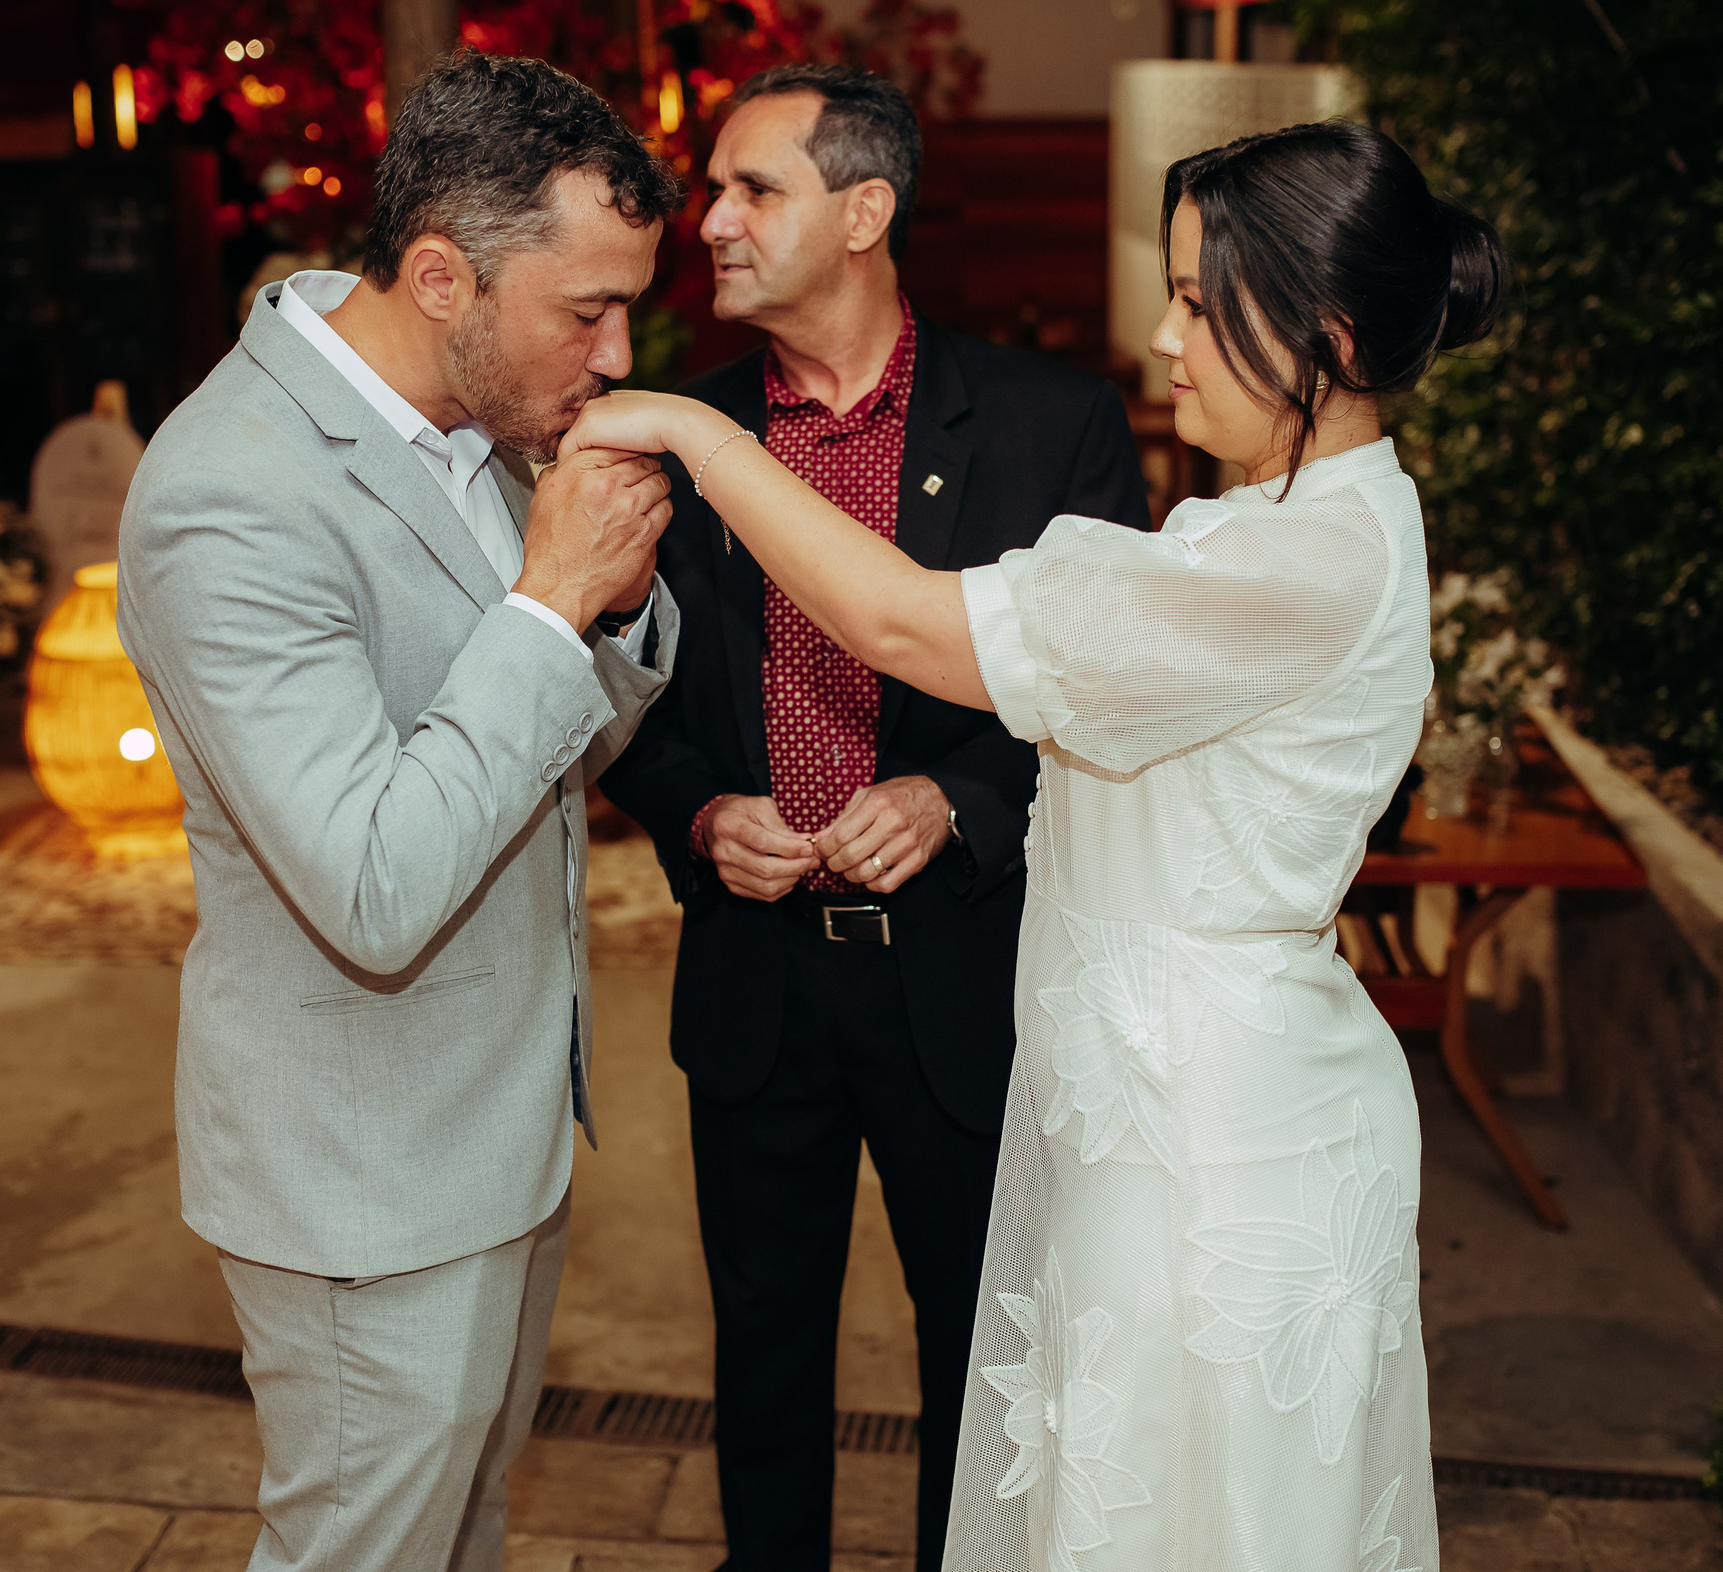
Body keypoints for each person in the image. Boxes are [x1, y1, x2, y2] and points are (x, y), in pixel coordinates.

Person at [572, 119, 1507, 1571]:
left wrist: (698, 434)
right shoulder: (1274, 526)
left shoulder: (1297, 561)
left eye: (1200, 301)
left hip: (1215, 1145)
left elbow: (900, 626)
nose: (1164, 332)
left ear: (1320, 331)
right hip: (1146, 1110)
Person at [116, 51, 683, 1572]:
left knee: (466, 1531)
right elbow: (372, 881)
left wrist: (608, 617)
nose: (618, 351)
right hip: (365, 1181)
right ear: (441, 275)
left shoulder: (480, 423)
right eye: (587, 311)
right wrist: (553, 599)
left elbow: (560, 753)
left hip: (497, 1126)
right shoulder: (225, 492)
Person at [597, 64, 1150, 1572]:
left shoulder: (1050, 428)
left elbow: (1115, 703)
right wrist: (703, 813)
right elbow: (617, 701)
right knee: (763, 1363)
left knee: (985, 1366)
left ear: (865, 211)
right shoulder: (675, 433)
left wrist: (964, 797)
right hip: (757, 973)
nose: (705, 220)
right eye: (711, 190)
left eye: (748, 189)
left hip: (963, 975)